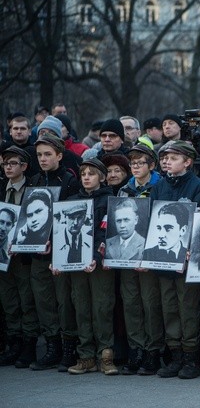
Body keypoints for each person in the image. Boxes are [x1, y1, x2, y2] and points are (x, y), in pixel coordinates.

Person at [148, 141, 200, 380]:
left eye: (173, 158)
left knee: (188, 307)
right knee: (169, 306)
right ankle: (175, 356)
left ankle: (191, 357)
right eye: (165, 158)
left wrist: (190, 247)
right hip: (163, 258)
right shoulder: (159, 187)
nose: (167, 161)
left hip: (186, 258)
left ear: (187, 161)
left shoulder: (198, 186)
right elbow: (152, 220)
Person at [27, 134, 80, 372]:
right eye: (39, 155)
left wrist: (56, 241)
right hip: (39, 252)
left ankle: (68, 347)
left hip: (61, 251)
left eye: (48, 154)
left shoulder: (69, 181)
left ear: (59, 155)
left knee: (63, 300)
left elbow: (73, 218)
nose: (43, 159)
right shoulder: (35, 180)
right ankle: (52, 345)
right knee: (43, 299)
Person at [62, 158, 116, 375]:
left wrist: (95, 255)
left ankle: (106, 355)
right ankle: (85, 355)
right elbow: (61, 233)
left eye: (91, 174)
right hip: (76, 263)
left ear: (101, 177)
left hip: (99, 262)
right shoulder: (72, 200)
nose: (86, 177)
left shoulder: (108, 199)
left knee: (102, 307)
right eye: (83, 174)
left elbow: (106, 230)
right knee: (81, 306)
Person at [117, 143, 164, 376]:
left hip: (150, 255)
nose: (135, 167)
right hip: (127, 256)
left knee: (150, 303)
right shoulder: (125, 190)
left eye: (140, 163)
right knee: (131, 303)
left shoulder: (160, 186)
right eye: (132, 164)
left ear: (152, 165)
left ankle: (153, 350)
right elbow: (112, 222)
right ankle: (136, 349)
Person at [0, 146, 38, 368]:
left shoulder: (32, 189)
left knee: (26, 298)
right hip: (3, 254)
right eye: (5, 164)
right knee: (8, 299)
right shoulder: (0, 187)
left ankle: (28, 343)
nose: (8, 168)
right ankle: (13, 341)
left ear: (24, 166)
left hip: (23, 254)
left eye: (13, 163)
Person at [54, 201, 92, 267]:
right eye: (71, 218)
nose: (75, 223)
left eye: (79, 218)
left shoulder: (90, 241)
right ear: (65, 218)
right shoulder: (55, 241)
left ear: (85, 218)